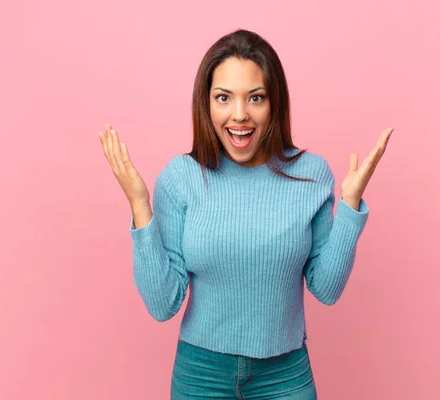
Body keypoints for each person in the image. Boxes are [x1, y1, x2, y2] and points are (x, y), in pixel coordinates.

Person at [99, 29, 393, 400]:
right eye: (224, 98)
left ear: (275, 104)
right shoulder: (180, 178)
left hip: (285, 377)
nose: (240, 115)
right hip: (200, 377)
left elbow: (328, 289)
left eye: (256, 98)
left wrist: (350, 206)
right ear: (206, 104)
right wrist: (140, 207)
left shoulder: (312, 175)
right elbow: (162, 304)